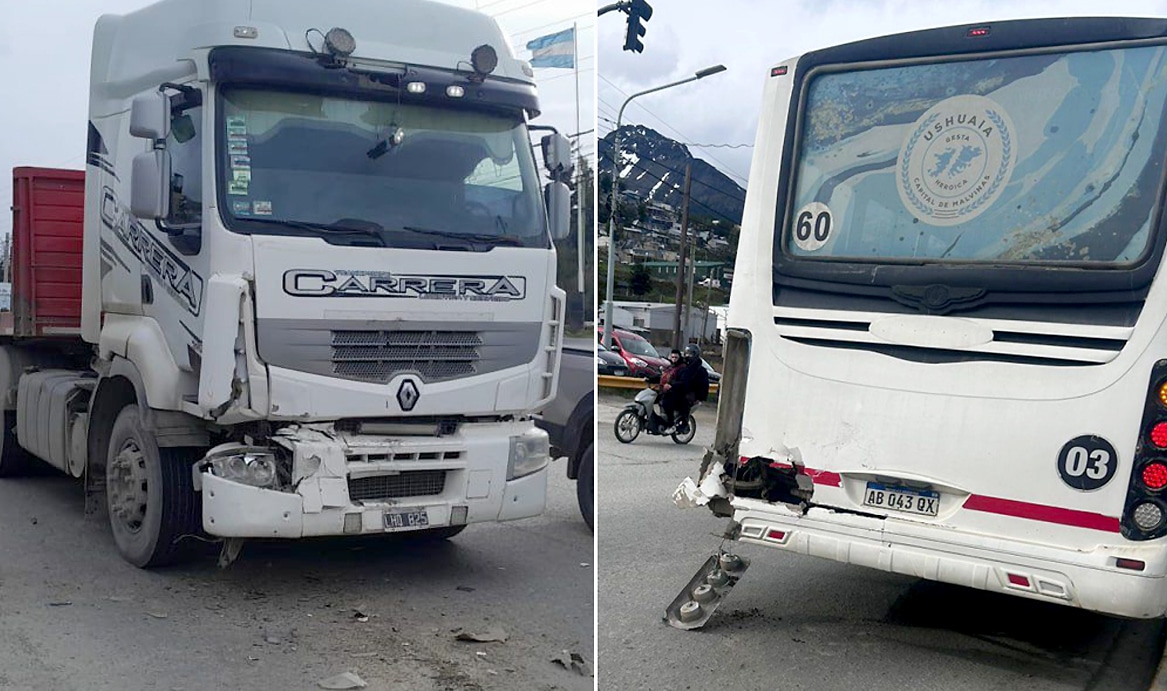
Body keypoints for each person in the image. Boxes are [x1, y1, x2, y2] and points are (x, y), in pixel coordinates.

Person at [660, 343, 709, 433]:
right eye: (686, 354)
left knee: (668, 402)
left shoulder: (699, 370)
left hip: (691, 394)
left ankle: (674, 424)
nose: (687, 356)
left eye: (690, 354)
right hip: (681, 390)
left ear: (695, 355)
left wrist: (699, 397)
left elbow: (696, 385)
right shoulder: (684, 366)